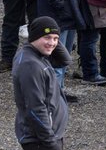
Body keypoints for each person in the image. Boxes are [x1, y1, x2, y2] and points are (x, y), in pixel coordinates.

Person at [13, 16, 69, 150]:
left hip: (44, 136)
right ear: (34, 37)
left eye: (55, 38)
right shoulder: (31, 65)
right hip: (40, 141)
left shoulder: (36, 54)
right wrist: (50, 143)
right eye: (47, 37)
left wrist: (51, 38)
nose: (52, 42)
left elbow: (64, 60)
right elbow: (35, 108)